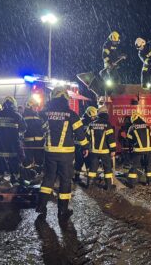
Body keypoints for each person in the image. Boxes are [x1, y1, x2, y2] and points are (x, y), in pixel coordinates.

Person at [36, 86, 88, 220]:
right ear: (65, 98)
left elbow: (39, 129)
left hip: (50, 153)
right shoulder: (72, 114)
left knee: (48, 178)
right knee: (65, 180)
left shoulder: (44, 113)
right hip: (66, 154)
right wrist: (85, 147)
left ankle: (41, 206)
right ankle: (62, 211)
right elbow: (80, 134)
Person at [0, 96, 26, 178]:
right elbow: (24, 128)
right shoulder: (17, 116)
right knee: (13, 169)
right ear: (13, 105)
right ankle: (13, 180)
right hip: (13, 147)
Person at [86, 105, 116, 190]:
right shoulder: (107, 124)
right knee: (107, 168)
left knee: (93, 168)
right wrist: (113, 150)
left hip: (94, 151)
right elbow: (111, 139)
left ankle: (89, 185)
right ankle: (108, 186)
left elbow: (87, 137)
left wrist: (87, 148)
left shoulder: (91, 124)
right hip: (105, 151)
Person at [127, 113, 151, 187]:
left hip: (138, 150)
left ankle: (131, 183)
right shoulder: (147, 126)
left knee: (134, 166)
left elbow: (129, 140)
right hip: (149, 149)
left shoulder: (132, 127)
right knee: (149, 166)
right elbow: (150, 136)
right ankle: (150, 182)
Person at [74, 106, 97, 183]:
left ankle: (77, 177)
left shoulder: (81, 121)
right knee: (85, 161)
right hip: (83, 145)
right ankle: (88, 179)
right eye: (93, 116)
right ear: (89, 114)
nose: (94, 118)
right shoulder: (87, 122)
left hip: (79, 145)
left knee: (79, 162)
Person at [22, 98, 45, 172]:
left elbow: (41, 127)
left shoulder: (38, 115)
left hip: (39, 142)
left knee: (39, 160)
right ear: (29, 106)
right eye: (34, 106)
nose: (36, 108)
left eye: (36, 107)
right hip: (29, 142)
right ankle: (27, 175)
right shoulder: (24, 115)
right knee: (28, 160)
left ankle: (37, 174)